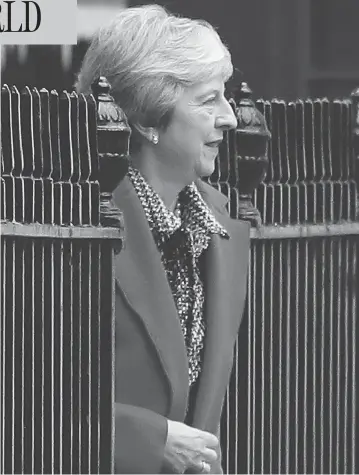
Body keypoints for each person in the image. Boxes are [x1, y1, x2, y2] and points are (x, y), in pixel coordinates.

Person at [76, 5, 250, 474]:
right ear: (148, 117)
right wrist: (142, 440)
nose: (230, 118)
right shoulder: (76, 220)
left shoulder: (224, 224)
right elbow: (25, 389)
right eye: (208, 99)